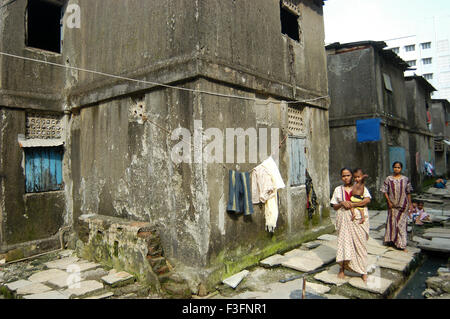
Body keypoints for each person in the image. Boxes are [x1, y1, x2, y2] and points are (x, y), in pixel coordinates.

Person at [331, 167, 371, 283]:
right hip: (344, 220)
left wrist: (353, 204)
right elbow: (334, 206)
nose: (346, 178)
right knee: (344, 244)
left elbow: (367, 200)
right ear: (341, 177)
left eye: (348, 175)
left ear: (352, 176)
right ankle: (342, 268)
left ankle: (363, 271)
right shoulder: (338, 189)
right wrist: (342, 203)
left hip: (358, 220)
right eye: (343, 176)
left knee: (360, 245)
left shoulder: (359, 186)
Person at [381, 161, 413, 252]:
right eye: (395, 167)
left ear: (401, 169)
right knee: (392, 223)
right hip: (392, 205)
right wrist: (389, 201)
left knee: (401, 225)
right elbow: (384, 191)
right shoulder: (388, 179)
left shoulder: (406, 179)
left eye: (398, 167)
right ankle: (391, 241)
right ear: (393, 168)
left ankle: (402, 244)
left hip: (403, 205)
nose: (397, 169)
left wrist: (410, 204)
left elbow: (408, 192)